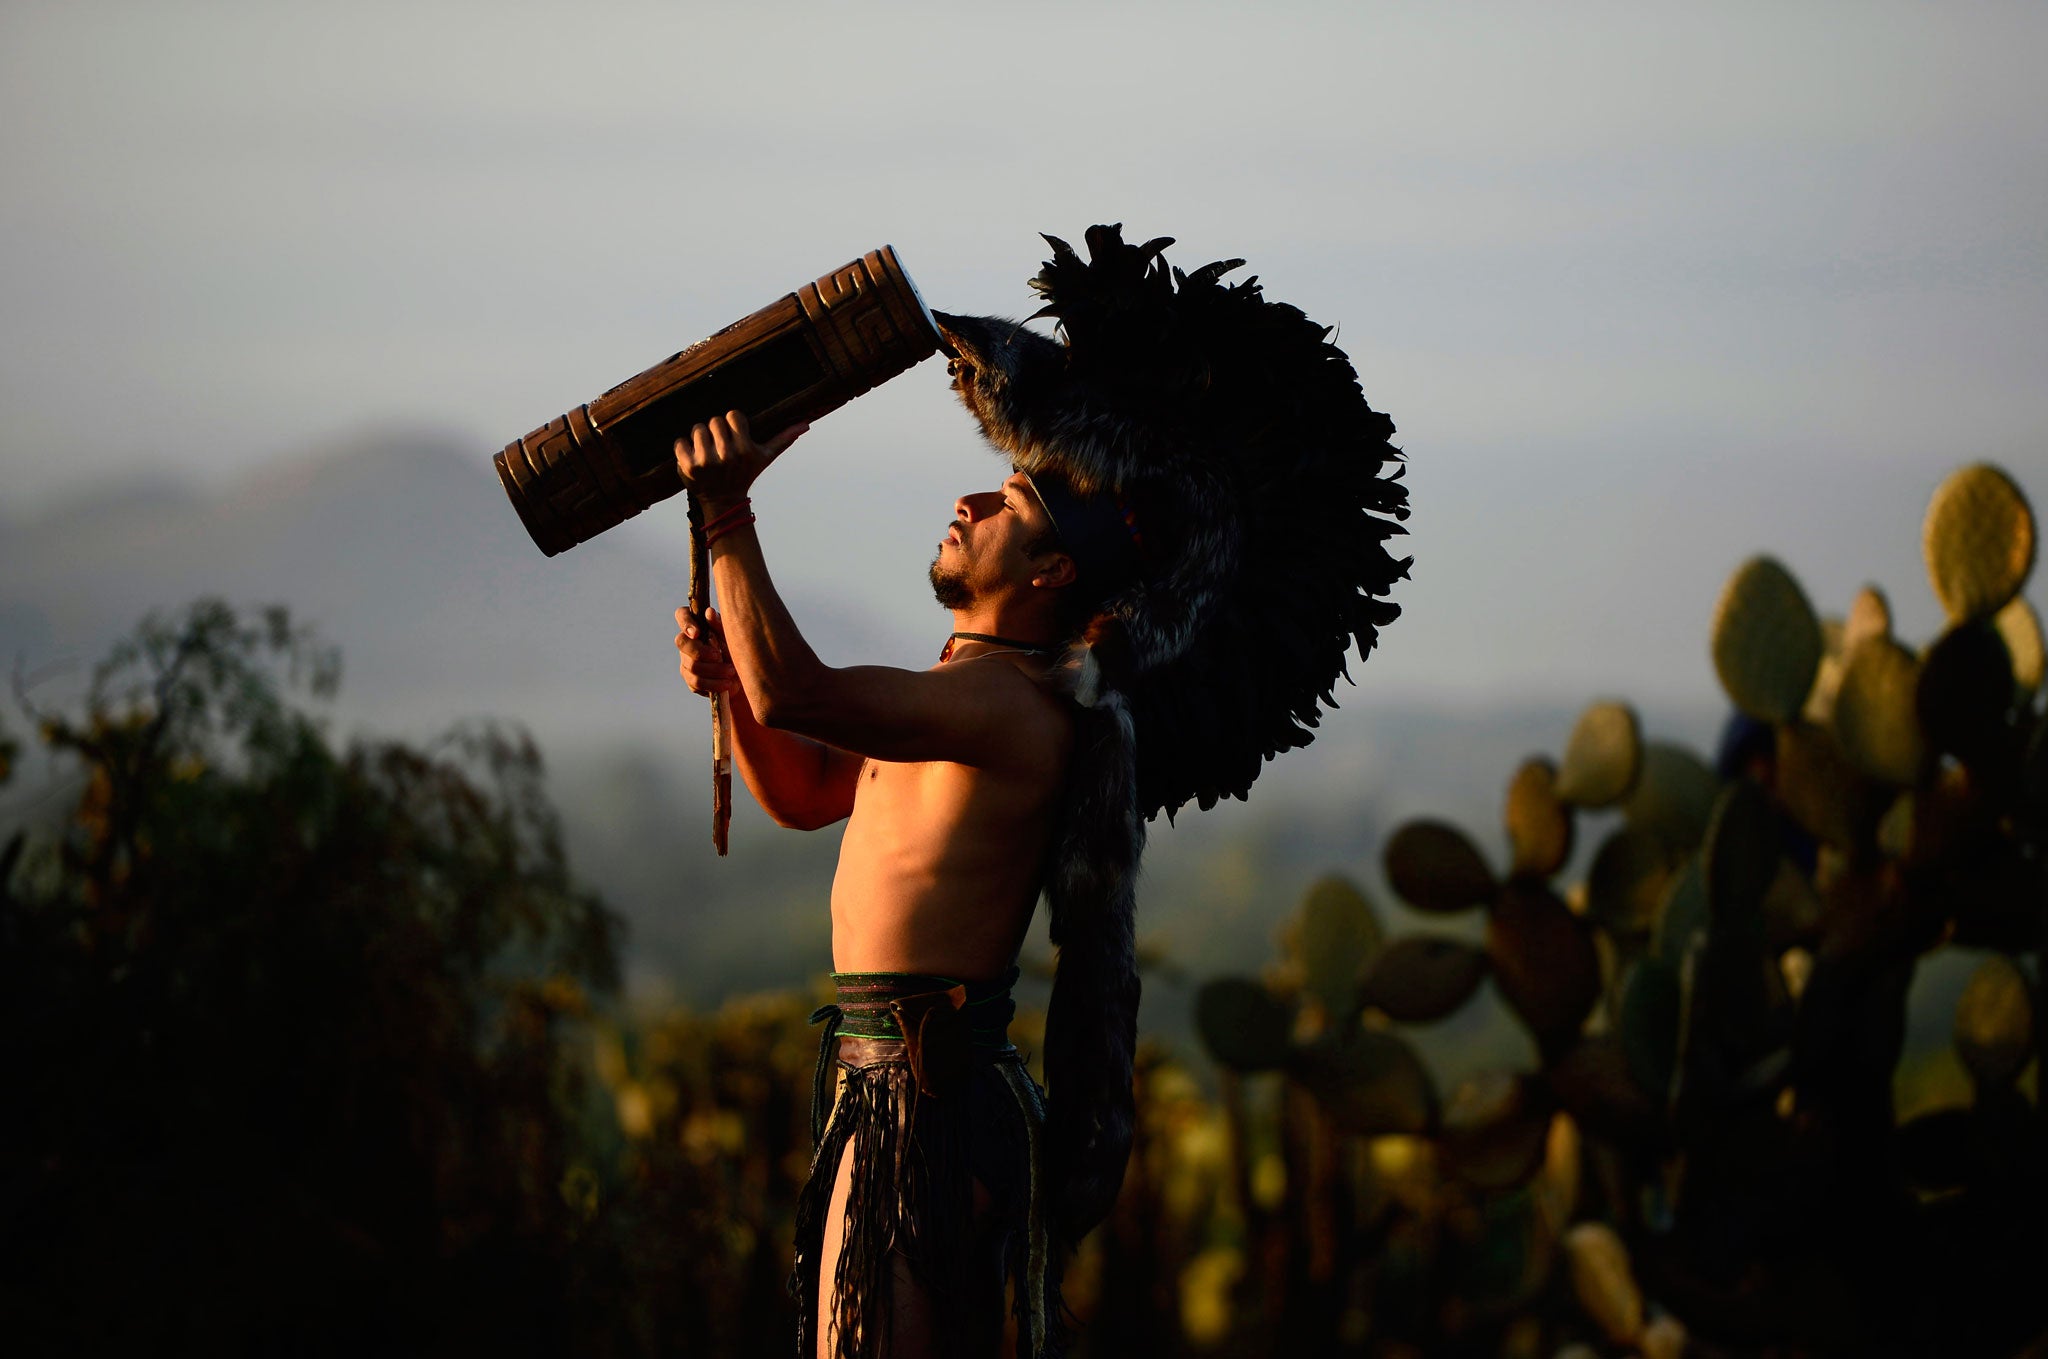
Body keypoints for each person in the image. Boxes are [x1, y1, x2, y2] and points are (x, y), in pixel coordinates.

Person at [672, 225, 1412, 1359]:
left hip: (925, 1101)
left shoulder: (1013, 707)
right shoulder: (960, 687)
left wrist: (727, 513)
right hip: (890, 1089)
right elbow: (813, 789)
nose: (969, 503)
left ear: (1052, 571)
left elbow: (799, 692)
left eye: (1008, 503)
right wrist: (733, 687)